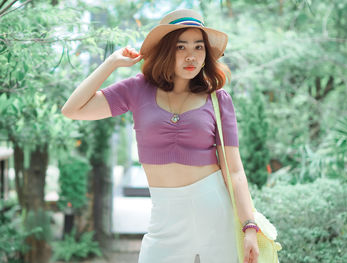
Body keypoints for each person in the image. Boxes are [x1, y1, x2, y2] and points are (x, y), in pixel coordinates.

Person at [61, 8, 259, 263]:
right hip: (164, 216)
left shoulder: (218, 100)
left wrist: (249, 227)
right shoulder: (137, 89)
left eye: (199, 47)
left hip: (214, 211)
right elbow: (72, 109)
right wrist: (111, 63)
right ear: (167, 50)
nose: (191, 56)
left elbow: (234, 171)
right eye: (181, 47)